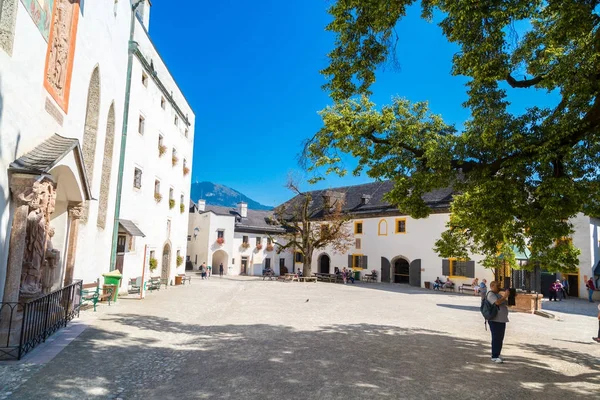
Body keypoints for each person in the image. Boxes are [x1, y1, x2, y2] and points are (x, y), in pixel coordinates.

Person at [486, 281, 510, 363]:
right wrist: (505, 296)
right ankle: (494, 356)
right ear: (492, 286)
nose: (499, 287)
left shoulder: (499, 295)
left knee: (500, 338)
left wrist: (511, 296)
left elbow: (508, 304)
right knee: (496, 338)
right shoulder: (490, 294)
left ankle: (497, 354)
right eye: (497, 286)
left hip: (502, 319)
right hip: (495, 320)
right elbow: (497, 302)